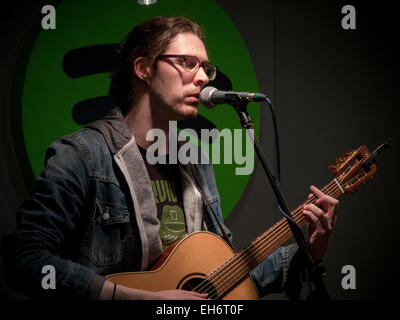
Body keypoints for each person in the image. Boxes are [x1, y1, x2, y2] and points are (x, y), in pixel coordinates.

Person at [1, 16, 338, 300]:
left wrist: (306, 252)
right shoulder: (82, 155)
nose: (204, 78)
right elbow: (26, 260)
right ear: (143, 68)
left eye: (206, 67)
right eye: (188, 63)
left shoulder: (196, 162)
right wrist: (140, 298)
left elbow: (223, 277)